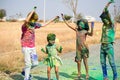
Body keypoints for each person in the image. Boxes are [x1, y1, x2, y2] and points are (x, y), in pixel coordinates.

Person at [21, 7, 59, 80]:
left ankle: (24, 71)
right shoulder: (24, 26)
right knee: (28, 64)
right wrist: (33, 11)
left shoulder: (34, 25)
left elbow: (44, 24)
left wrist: (53, 18)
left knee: (35, 63)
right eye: (33, 19)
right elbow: (26, 20)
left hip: (32, 48)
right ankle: (26, 77)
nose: (34, 21)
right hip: (25, 47)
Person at [61, 14, 94, 79]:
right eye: (79, 24)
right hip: (78, 49)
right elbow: (69, 25)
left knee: (85, 61)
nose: (80, 26)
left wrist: (92, 27)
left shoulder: (85, 31)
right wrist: (64, 19)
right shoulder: (77, 30)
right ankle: (79, 74)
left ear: (84, 26)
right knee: (78, 62)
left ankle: (87, 74)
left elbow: (91, 34)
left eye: (81, 25)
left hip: (84, 48)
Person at [99, 2, 117, 80]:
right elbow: (103, 13)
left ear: (108, 19)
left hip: (109, 46)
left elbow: (107, 14)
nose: (103, 20)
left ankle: (115, 76)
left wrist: (108, 5)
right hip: (102, 46)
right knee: (103, 63)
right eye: (102, 19)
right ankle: (105, 77)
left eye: (104, 18)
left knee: (112, 63)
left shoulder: (111, 24)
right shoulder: (104, 25)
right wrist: (107, 4)